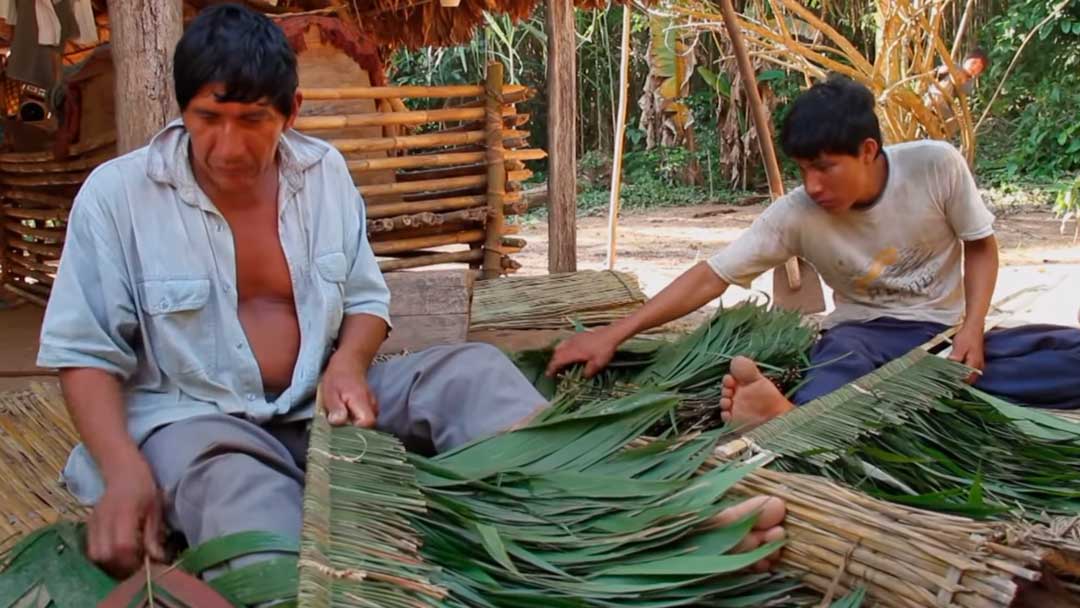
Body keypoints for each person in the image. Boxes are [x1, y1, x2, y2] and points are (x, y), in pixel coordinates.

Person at [37, 4, 785, 581]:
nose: (228, 146)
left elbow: (366, 300)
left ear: (290, 114)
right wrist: (127, 469)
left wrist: (348, 364)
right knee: (238, 497)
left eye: (251, 121)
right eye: (208, 119)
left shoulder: (322, 174)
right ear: (182, 110)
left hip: (316, 406)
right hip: (194, 421)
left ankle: (638, 523)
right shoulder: (118, 197)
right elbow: (83, 352)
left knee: (473, 374)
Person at [548, 74, 1080, 428]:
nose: (814, 185)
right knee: (835, 370)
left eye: (825, 167)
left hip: (945, 337)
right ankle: (793, 417)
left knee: (1060, 355)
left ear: (868, 151)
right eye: (804, 169)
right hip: (865, 338)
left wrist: (972, 327)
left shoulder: (936, 165)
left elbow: (981, 246)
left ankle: (892, 406)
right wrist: (615, 334)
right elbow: (711, 275)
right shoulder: (796, 214)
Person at [925, 49, 989, 137]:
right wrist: (944, 70)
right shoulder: (954, 66)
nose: (974, 68)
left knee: (955, 123)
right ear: (966, 60)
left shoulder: (970, 82)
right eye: (973, 63)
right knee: (945, 86)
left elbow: (965, 90)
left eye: (979, 68)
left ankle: (939, 133)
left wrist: (961, 80)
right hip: (936, 96)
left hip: (945, 105)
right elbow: (933, 74)